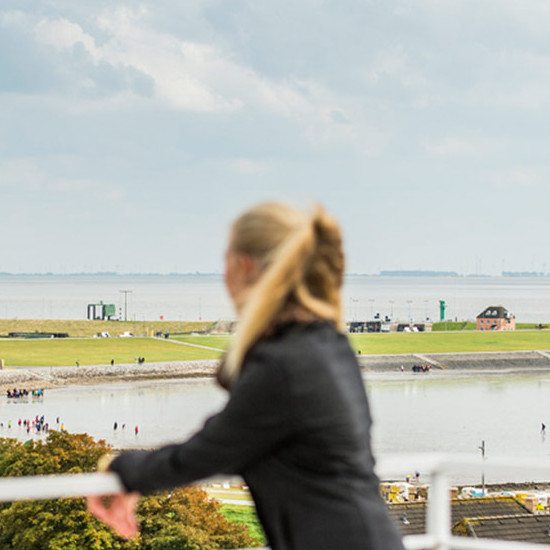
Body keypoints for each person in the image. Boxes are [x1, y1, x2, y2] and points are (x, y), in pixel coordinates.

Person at [88, 202, 403, 550]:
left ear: (243, 266)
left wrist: (119, 467)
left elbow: (202, 454)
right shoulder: (325, 345)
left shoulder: (284, 366)